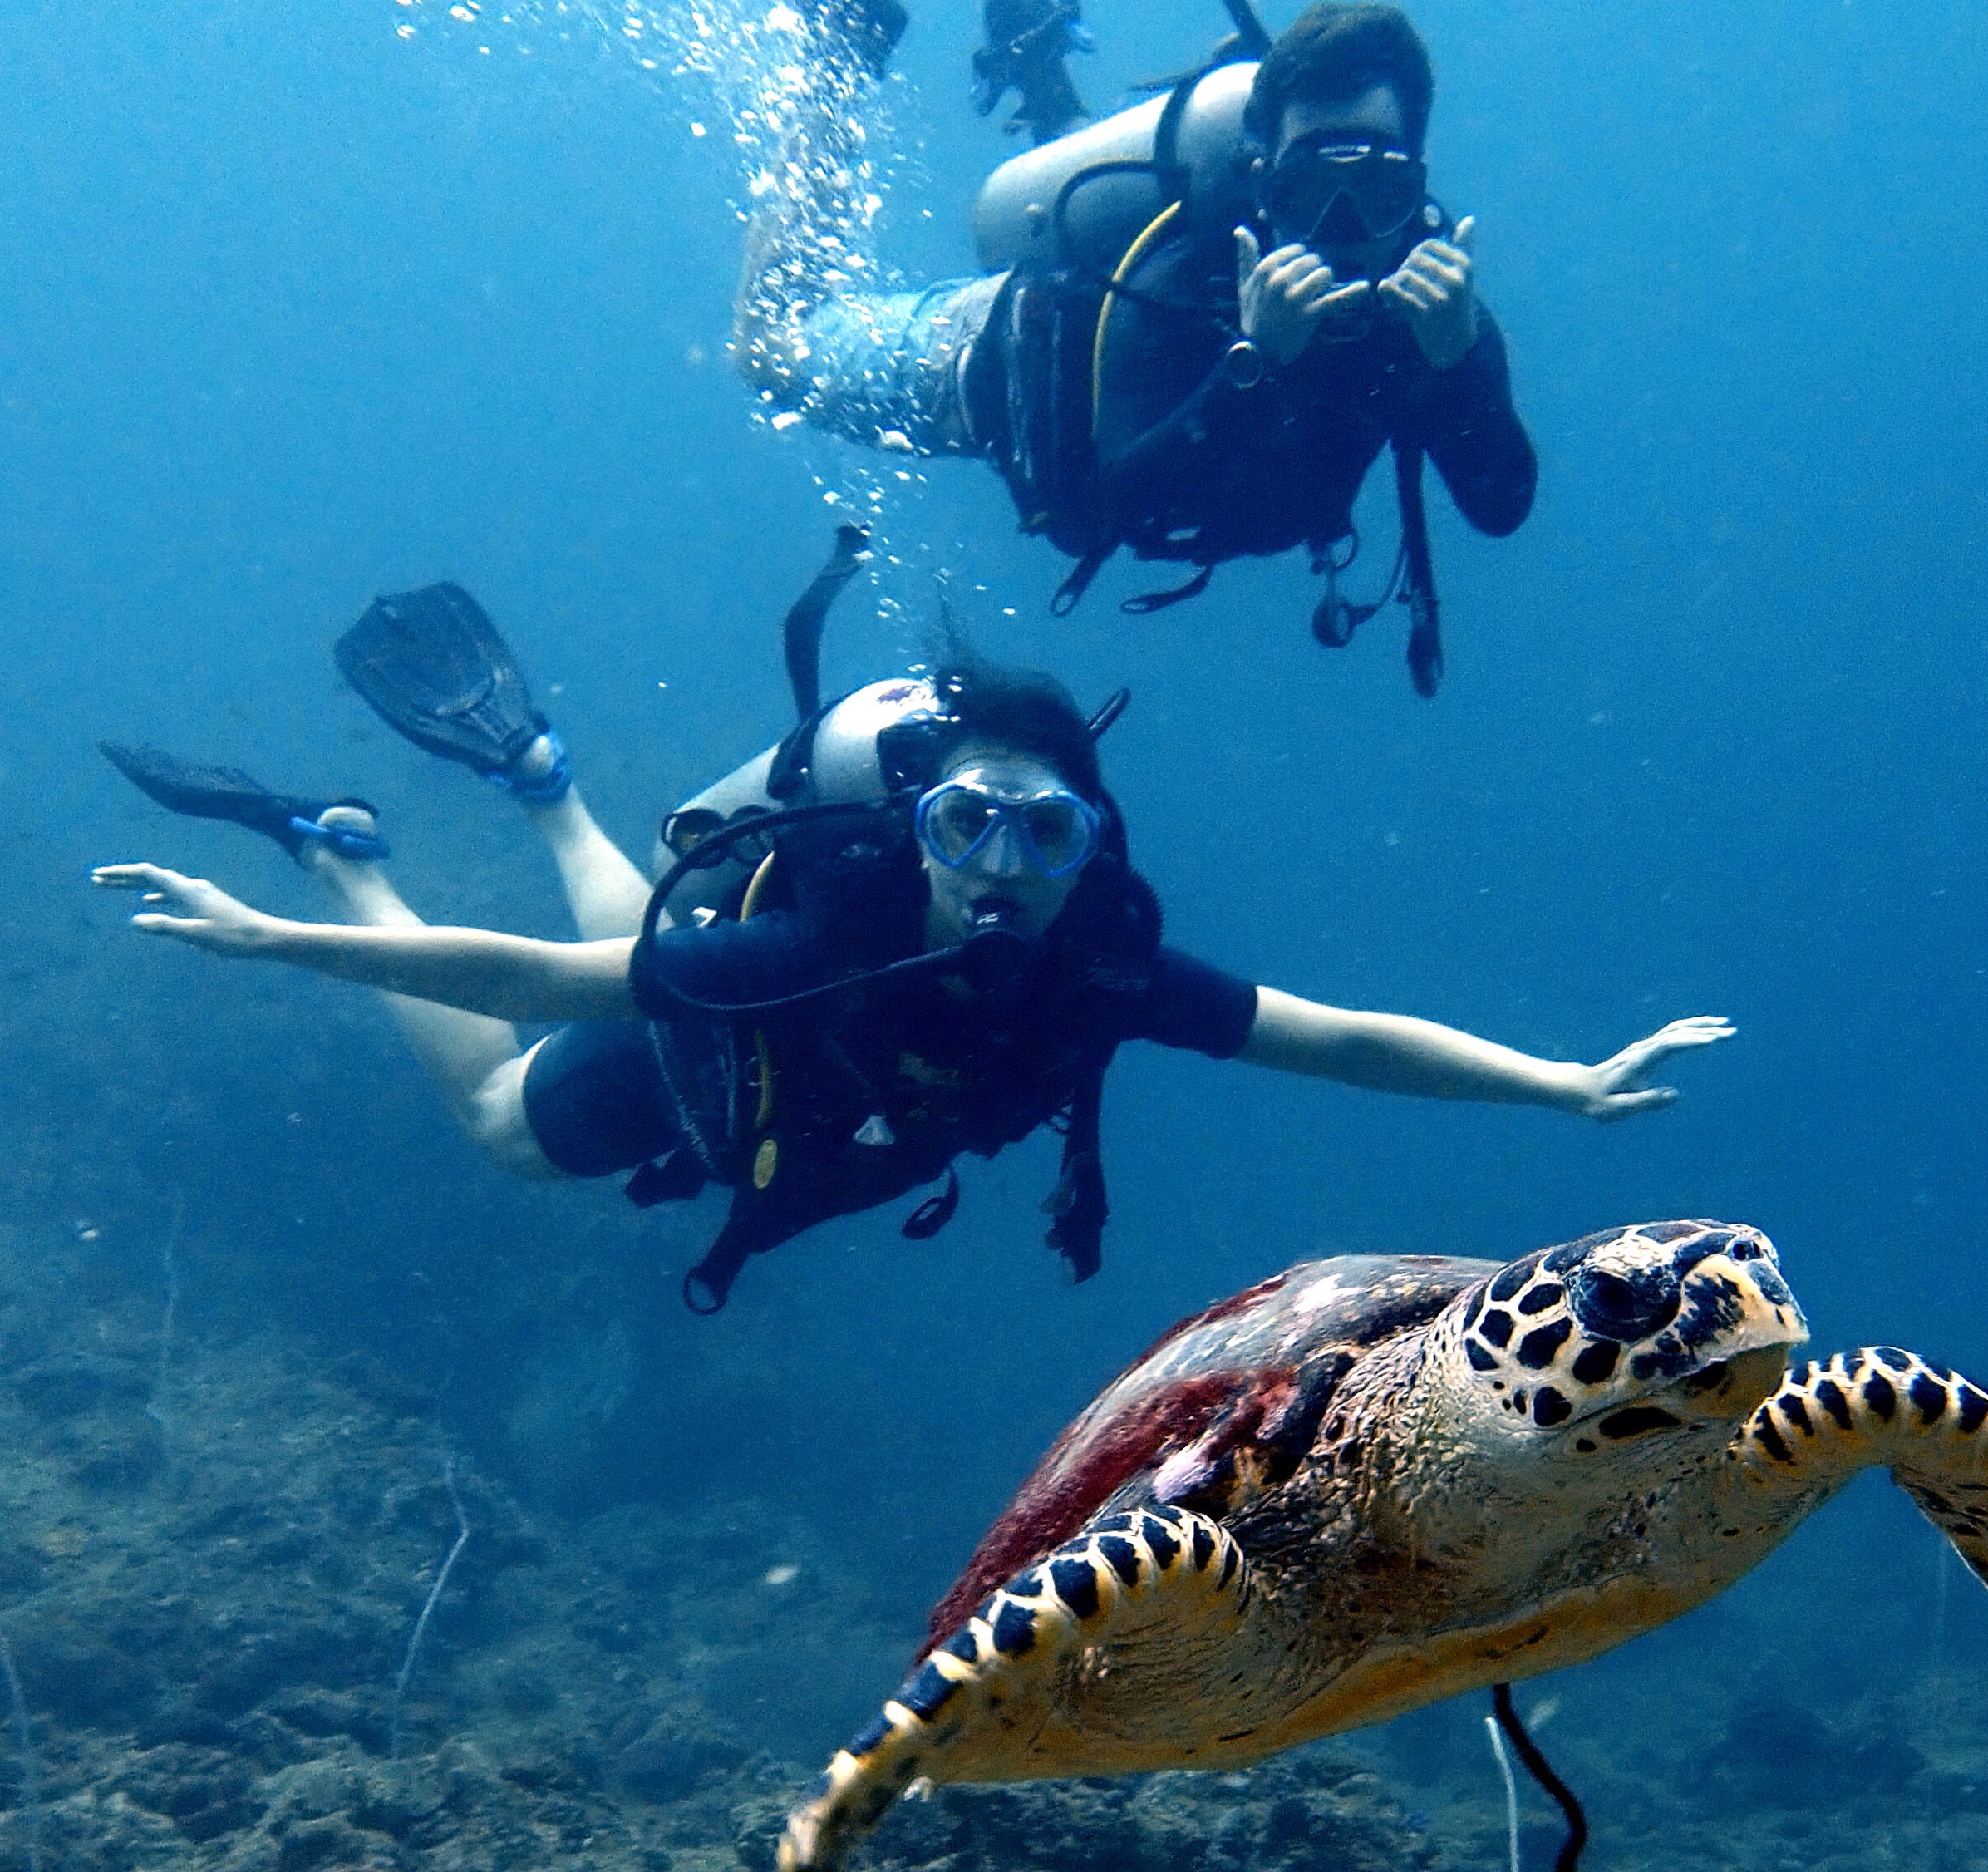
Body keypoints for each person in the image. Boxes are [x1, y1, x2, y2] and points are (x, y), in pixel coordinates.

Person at [92, 579, 1727, 1311]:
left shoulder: (1102, 969)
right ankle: (343, 855)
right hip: (733, 1051)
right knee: (506, 1127)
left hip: (765, 1061)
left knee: (660, 944)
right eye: (965, 829)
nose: (1001, 871)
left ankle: (542, 787)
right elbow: (540, 986)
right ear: (920, 834)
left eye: (1045, 837)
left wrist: (1563, 1087)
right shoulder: (829, 942)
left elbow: (1337, 1037)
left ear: (1090, 855)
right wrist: (280, 940)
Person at [731, 0, 1533, 690]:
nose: (1345, 229)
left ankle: (1038, 59)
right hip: (995, 365)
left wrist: (1458, 360)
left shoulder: (1433, 309)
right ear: (1264, 179)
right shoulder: (1195, 273)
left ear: (1419, 183)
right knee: (771, 347)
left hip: (1130, 340)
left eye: (1380, 189)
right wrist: (1256, 363)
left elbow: (1501, 505)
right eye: (1309, 192)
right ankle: (842, 49)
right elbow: (1120, 499)